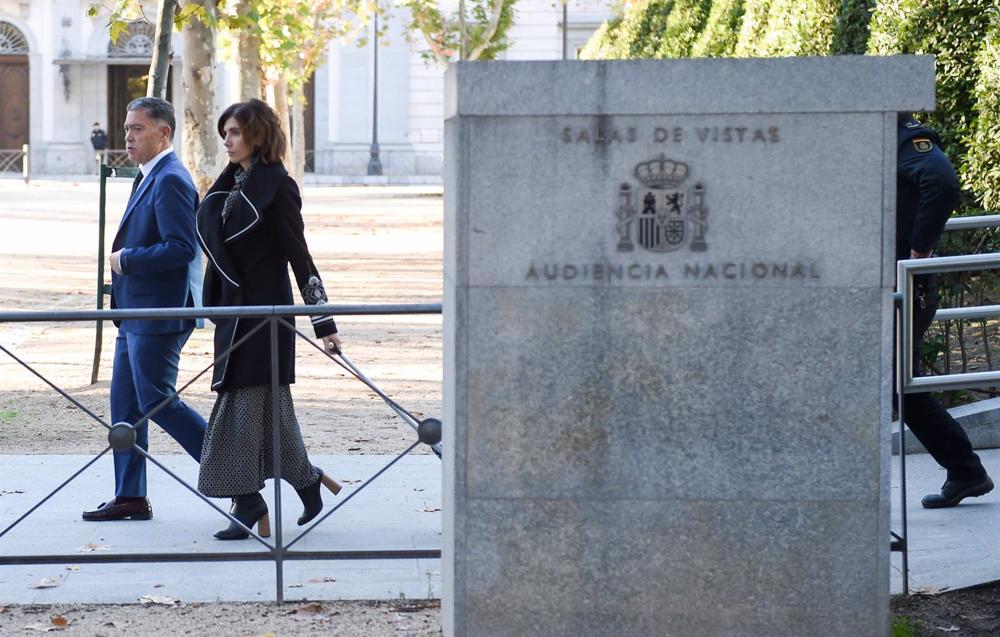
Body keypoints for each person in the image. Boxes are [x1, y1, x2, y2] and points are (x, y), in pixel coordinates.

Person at [195, 99, 341, 540]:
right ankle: (306, 481)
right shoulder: (227, 185)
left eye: (235, 132)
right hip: (232, 316)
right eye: (225, 133)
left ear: (257, 134)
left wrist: (324, 322)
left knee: (239, 412)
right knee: (269, 415)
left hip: (266, 317)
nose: (227, 140)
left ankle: (248, 504)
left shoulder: (278, 186)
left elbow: (300, 256)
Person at [83, 98, 207, 521]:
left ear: (164, 133)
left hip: (157, 315)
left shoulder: (171, 178)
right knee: (126, 409)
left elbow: (181, 247)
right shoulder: (149, 175)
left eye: (137, 129)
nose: (128, 137)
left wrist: (126, 259)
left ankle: (237, 473)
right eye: (126, 129)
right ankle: (130, 496)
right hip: (133, 313)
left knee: (159, 402)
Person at [897, 114, 993, 508]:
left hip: (903, 283)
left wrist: (918, 253)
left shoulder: (903, 138)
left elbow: (942, 180)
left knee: (894, 380)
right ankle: (965, 470)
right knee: (898, 382)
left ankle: (966, 469)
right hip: (889, 282)